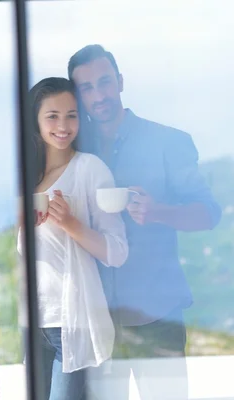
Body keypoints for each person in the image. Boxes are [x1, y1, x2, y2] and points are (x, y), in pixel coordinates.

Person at [68, 44, 222, 399]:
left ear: (120, 82)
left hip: (158, 319)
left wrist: (157, 212)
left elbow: (208, 213)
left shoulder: (168, 142)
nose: (98, 95)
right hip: (96, 322)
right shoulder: (73, 149)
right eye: (86, 88)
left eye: (105, 82)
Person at [17, 77, 128, 400]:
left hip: (74, 321)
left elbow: (117, 252)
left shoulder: (91, 169)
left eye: (72, 115)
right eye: (52, 116)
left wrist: (69, 223)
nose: (63, 125)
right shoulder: (31, 178)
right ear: (35, 120)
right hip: (34, 321)